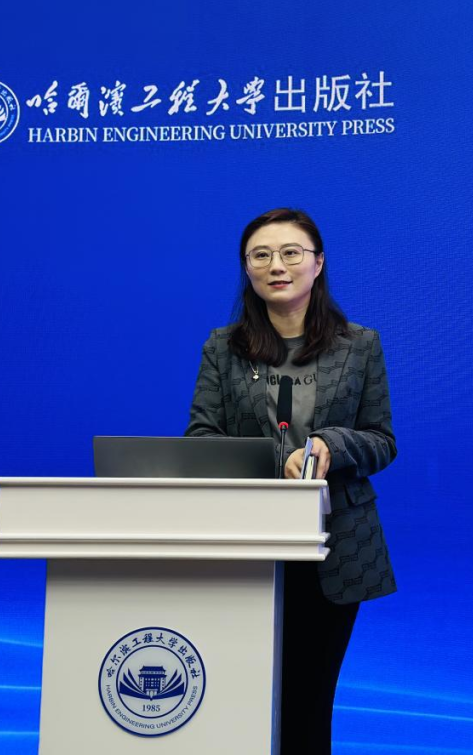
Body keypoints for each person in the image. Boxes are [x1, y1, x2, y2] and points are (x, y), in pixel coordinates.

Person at [185, 207, 397, 754]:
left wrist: (331, 445)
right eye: (261, 255)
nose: (276, 265)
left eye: (290, 253)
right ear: (247, 269)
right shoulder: (223, 348)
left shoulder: (360, 345)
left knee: (308, 701)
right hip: (246, 544)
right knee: (243, 696)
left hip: (335, 545)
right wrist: (268, 462)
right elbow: (201, 439)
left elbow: (381, 440)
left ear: (318, 263)